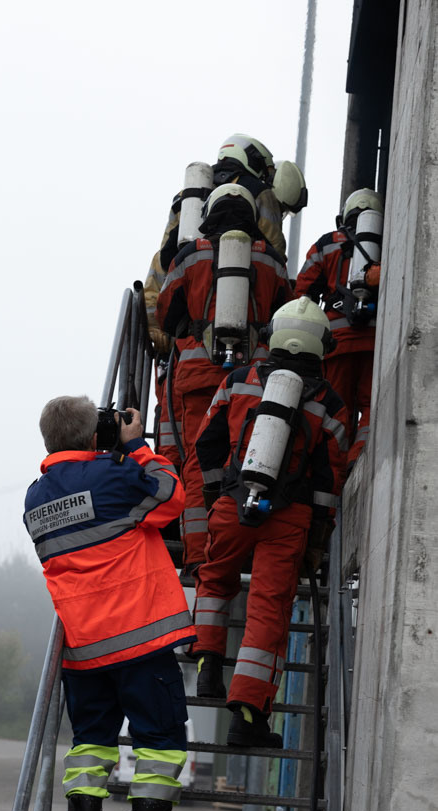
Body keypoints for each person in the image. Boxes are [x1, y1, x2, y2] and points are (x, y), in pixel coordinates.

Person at [23, 396, 196, 811]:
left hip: (82, 650)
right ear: (92, 435)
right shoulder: (115, 475)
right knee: (159, 745)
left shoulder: (34, 498)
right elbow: (171, 496)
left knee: (89, 747)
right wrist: (136, 446)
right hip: (141, 641)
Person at [191, 297, 348, 745]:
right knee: (267, 610)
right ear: (322, 345)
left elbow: (206, 444)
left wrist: (219, 495)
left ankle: (207, 667)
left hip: (232, 505)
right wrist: (317, 537)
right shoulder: (330, 403)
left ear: (274, 334)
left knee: (214, 580)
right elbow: (329, 479)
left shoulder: (238, 381)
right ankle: (247, 717)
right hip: (289, 519)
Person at [155, 183, 294, 574]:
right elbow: (284, 317)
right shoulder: (271, 261)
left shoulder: (189, 256)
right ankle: (240, 545)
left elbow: (165, 314)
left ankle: (199, 557)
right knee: (249, 458)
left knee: (199, 463)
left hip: (197, 377)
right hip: (253, 381)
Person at [145, 134, 303, 381]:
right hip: (249, 355)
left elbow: (164, 261)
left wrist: (155, 328)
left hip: (188, 351)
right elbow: (275, 261)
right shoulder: (261, 194)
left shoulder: (186, 198)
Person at [295, 188, 383, 466]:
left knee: (337, 408)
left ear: (344, 216)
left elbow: (302, 296)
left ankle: (337, 466)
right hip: (374, 342)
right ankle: (358, 458)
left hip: (337, 344)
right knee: (372, 406)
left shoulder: (326, 245)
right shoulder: (387, 242)